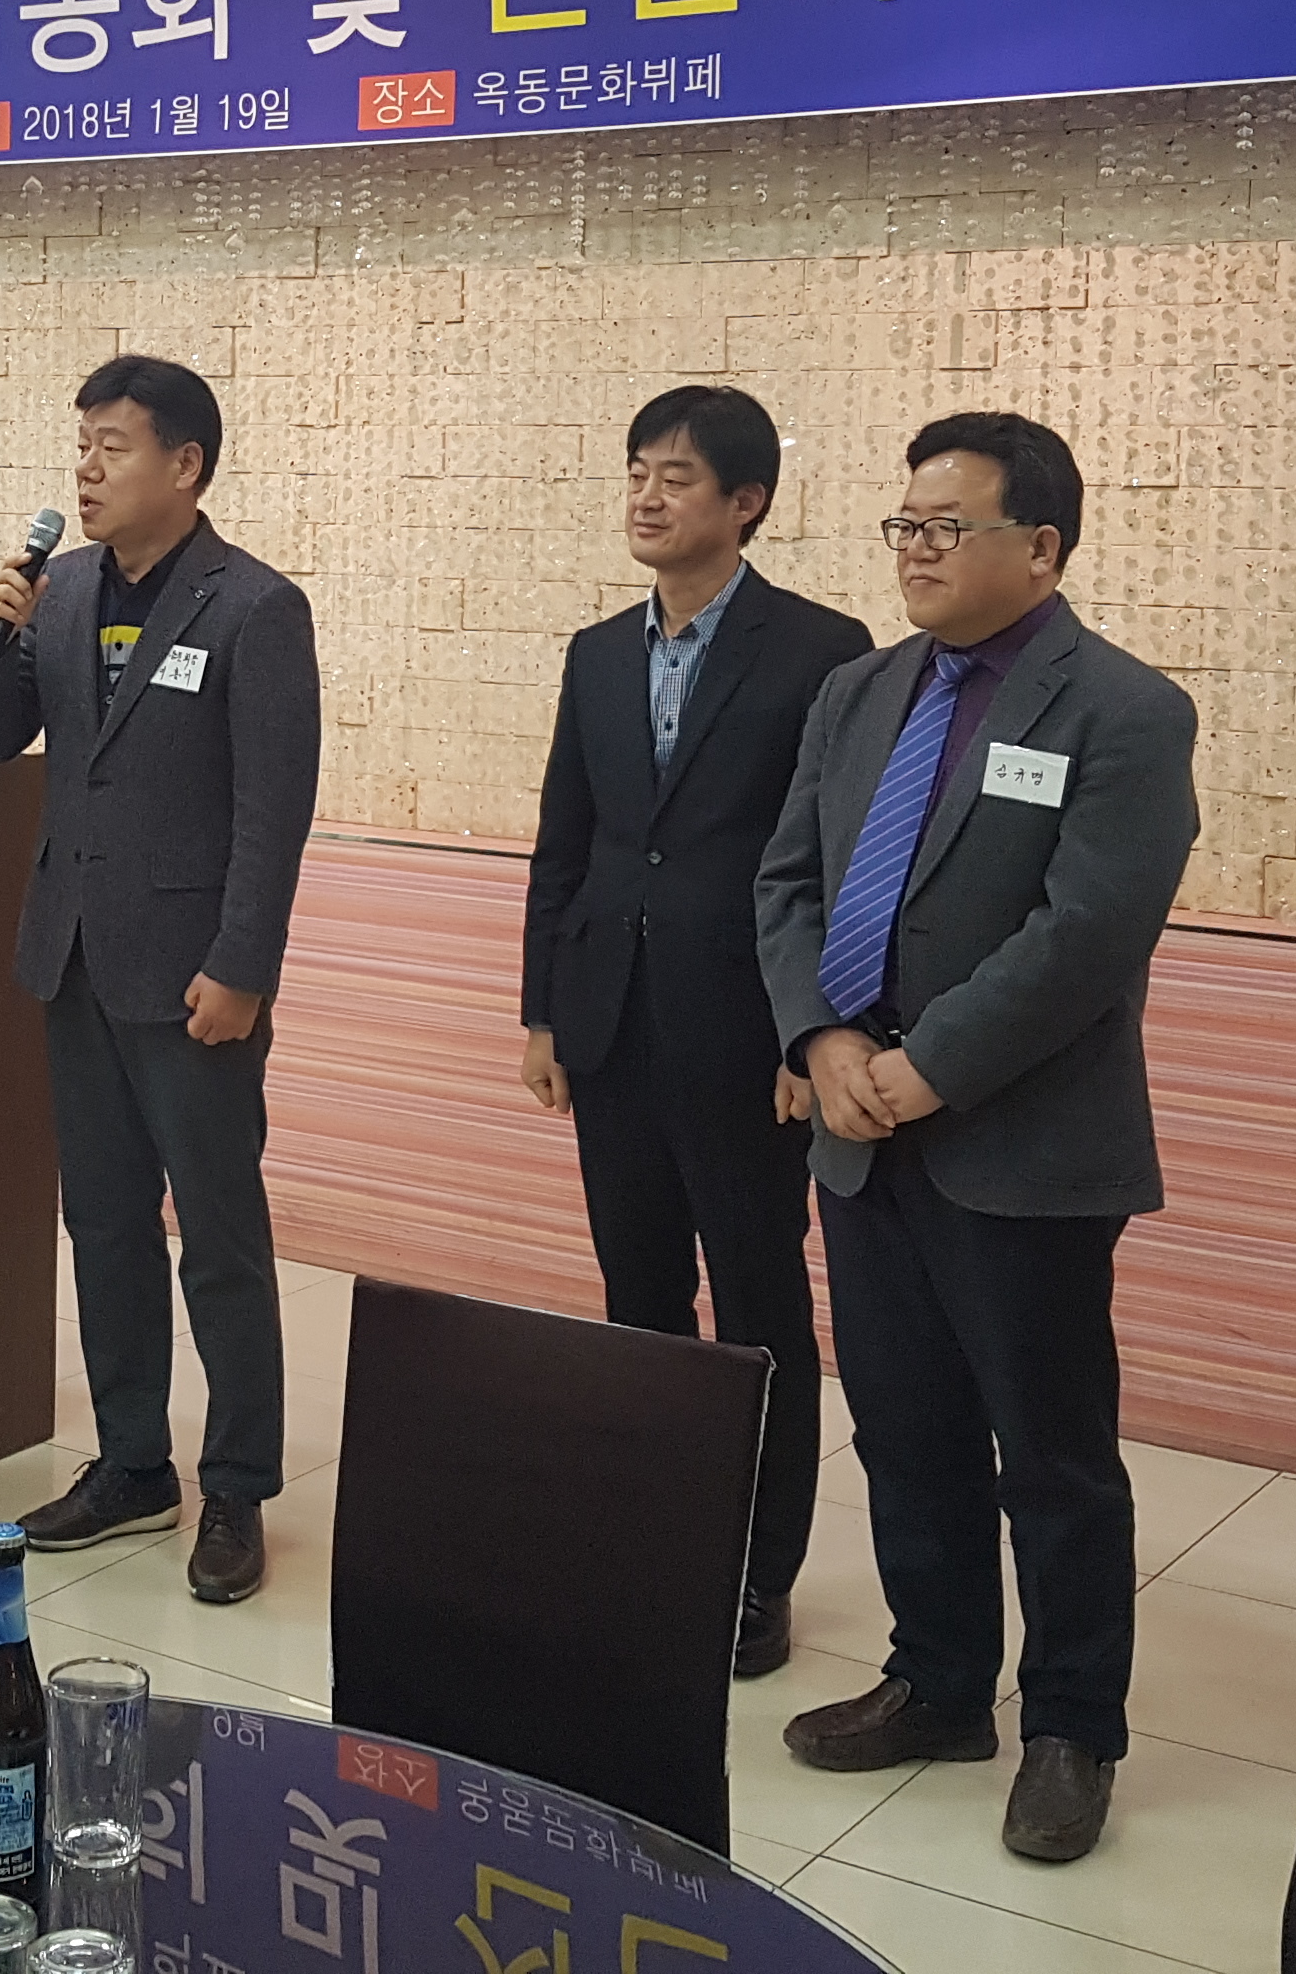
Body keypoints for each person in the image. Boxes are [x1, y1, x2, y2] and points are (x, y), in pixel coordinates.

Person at [754, 410, 1198, 1866]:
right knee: (903, 1429)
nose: (917, 550)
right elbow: (789, 881)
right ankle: (939, 1682)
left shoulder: (1124, 712)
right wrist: (823, 1043)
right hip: (857, 1133)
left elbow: (1088, 935)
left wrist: (926, 1068)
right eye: (906, 525)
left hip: (1022, 1149)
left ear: (1042, 547)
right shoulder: (858, 694)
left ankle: (1072, 1727)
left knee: (1052, 1456)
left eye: (948, 527)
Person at [0, 353, 319, 1606]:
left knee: (218, 1238)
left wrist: (243, 965)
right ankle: (130, 1464)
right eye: (82, 446)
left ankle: (238, 1484)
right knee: (103, 1224)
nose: (88, 469)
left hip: (194, 976)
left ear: (186, 464)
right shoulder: (58, 594)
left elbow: (274, 810)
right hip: (73, 956)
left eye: (113, 447)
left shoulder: (254, 607)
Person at [522, 385, 872, 1681]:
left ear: (747, 501)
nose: (647, 496)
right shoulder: (596, 653)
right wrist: (543, 1009)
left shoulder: (823, 650)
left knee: (761, 1305)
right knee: (640, 1299)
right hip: (611, 1021)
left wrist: (810, 1034)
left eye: (676, 476)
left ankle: (759, 1573)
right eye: (636, 472)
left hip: (748, 1036)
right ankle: (658, 1536)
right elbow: (566, 840)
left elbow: (838, 860)